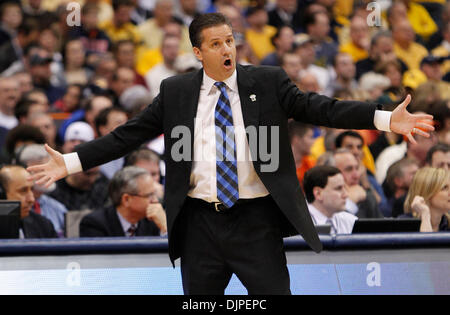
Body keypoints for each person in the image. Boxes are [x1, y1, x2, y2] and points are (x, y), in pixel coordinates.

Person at [28, 13, 434, 295]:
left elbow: (321, 107)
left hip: (256, 220)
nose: (227, 49)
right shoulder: (177, 91)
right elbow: (126, 135)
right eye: (216, 43)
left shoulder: (268, 81)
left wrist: (383, 118)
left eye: (230, 41)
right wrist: (71, 161)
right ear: (198, 53)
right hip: (200, 222)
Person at [79, 166, 167, 237]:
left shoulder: (154, 220)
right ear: (126, 199)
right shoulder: (94, 224)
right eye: (149, 196)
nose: (155, 201)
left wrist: (165, 227)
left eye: (154, 194)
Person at [0, 165, 57, 238]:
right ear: (2, 195)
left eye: (32, 189)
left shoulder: (44, 225)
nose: (31, 199)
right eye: (23, 191)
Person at [303, 165, 357, 235]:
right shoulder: (296, 226)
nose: (346, 194)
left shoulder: (350, 221)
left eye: (344, 187)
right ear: (318, 193)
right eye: (338, 188)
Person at [402, 167, 450, 232]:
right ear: (427, 192)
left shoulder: (447, 223)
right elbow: (427, 242)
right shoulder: (404, 224)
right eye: (444, 188)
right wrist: (425, 214)